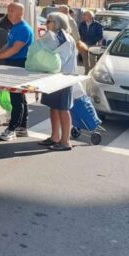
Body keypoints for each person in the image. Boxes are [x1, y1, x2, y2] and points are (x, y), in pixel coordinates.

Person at [0, 2, 34, 141]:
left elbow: (14, 50)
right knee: (19, 97)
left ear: (20, 13)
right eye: (8, 10)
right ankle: (22, 127)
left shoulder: (23, 29)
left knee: (16, 98)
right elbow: (8, 45)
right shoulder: (15, 27)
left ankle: (12, 129)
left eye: (12, 10)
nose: (9, 13)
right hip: (13, 64)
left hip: (20, 64)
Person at [37, 12, 78, 151]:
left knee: (63, 109)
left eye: (49, 21)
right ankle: (55, 137)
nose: (46, 24)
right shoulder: (54, 36)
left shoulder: (64, 38)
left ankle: (65, 142)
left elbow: (59, 60)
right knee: (53, 108)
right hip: (53, 77)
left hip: (63, 78)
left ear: (57, 23)